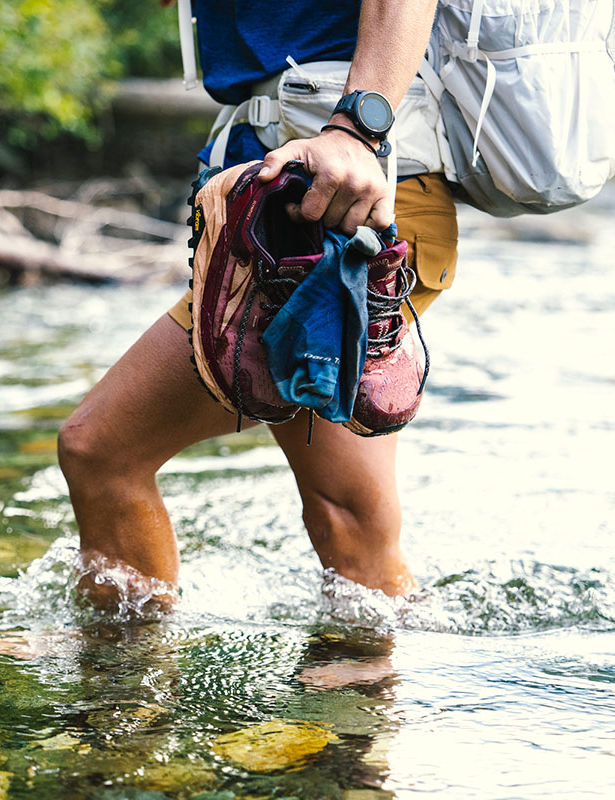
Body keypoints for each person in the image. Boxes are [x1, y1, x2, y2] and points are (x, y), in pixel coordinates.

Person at [57, 0, 458, 605]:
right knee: (344, 511)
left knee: (101, 451)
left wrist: (356, 130)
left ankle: (121, 680)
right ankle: (372, 674)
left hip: (335, 200)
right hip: (312, 199)